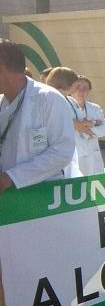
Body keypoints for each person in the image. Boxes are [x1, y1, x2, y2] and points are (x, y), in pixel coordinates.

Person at [0, 38, 74, 193]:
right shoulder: (2, 102)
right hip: (8, 198)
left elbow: (62, 151)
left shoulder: (48, 99)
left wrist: (11, 177)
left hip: (42, 197)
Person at [66, 75, 105, 176]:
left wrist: (81, 126)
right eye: (78, 87)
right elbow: (67, 125)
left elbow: (104, 130)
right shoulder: (64, 105)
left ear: (89, 90)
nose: (81, 90)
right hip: (73, 153)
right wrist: (92, 124)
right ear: (70, 88)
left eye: (85, 88)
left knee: (95, 184)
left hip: (93, 153)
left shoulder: (95, 108)